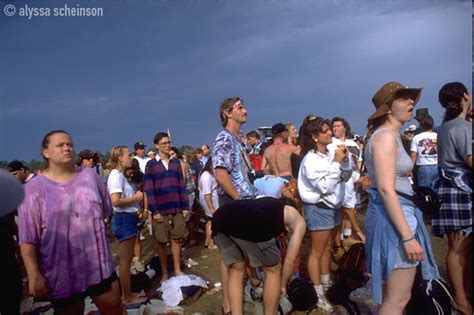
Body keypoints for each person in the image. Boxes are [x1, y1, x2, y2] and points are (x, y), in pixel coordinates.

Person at [18, 130, 124, 315]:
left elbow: (106, 209)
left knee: (114, 307)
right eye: (60, 145)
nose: (67, 147)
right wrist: (34, 274)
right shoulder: (33, 190)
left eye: (70, 144)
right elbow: (27, 238)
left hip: (98, 264)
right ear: (46, 152)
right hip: (61, 270)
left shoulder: (90, 176)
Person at [363, 82, 439, 314]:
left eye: (411, 98)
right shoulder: (385, 137)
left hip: (391, 216)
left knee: (390, 298)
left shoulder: (388, 135)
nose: (411, 103)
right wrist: (407, 237)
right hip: (394, 221)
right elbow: (386, 189)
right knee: (398, 299)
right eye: (404, 99)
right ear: (387, 108)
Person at [212, 197, 306, 315]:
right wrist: (282, 285)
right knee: (273, 270)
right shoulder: (299, 222)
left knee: (237, 269)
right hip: (252, 222)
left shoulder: (269, 204)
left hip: (220, 217)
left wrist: (254, 278)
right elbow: (289, 261)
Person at [297, 115, 351, 312]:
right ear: (314, 136)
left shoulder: (329, 153)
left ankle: (327, 283)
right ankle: (318, 292)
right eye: (325, 130)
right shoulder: (310, 160)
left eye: (330, 129)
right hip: (319, 207)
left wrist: (344, 160)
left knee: (328, 246)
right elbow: (325, 186)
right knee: (316, 251)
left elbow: (346, 175)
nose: (331, 133)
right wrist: (337, 163)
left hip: (332, 207)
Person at [212, 97, 258, 314]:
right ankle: (229, 305)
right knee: (235, 262)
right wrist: (238, 200)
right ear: (227, 113)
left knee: (238, 262)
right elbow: (220, 174)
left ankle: (232, 305)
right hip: (233, 204)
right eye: (240, 108)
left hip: (242, 202)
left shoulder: (237, 139)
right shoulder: (223, 138)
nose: (245, 110)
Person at [432, 82, 472, 315]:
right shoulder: (462, 126)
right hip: (460, 190)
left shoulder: (446, 125)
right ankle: (462, 299)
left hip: (448, 189)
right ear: (464, 97)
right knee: (459, 248)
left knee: (459, 248)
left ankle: (463, 295)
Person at [144, 132, 189, 283]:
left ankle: (177, 269)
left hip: (176, 206)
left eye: (168, 142)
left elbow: (181, 185)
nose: (167, 145)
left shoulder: (176, 163)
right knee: (161, 242)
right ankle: (164, 272)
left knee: (176, 239)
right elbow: (149, 190)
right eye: (163, 143)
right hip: (160, 209)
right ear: (157, 145)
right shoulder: (151, 165)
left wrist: (185, 206)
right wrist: (154, 210)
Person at [107, 145, 146, 306]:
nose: (131, 157)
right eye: (128, 155)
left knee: (127, 260)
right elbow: (115, 200)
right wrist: (136, 198)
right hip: (124, 219)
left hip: (127, 219)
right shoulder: (116, 176)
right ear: (120, 158)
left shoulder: (120, 176)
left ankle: (128, 293)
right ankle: (127, 297)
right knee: (125, 261)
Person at [0, 170, 25, 315]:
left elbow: (16, 228)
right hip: (7, 262)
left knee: (11, 303)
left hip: (7, 262)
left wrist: (21, 252)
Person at [409, 115, 438, 187]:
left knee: (424, 193)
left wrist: (410, 169)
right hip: (438, 166)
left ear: (421, 125)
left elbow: (413, 155)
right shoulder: (438, 136)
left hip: (423, 168)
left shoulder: (416, 138)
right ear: (432, 125)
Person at [198, 159, 218, 249]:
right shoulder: (206, 176)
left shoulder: (206, 174)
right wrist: (211, 207)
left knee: (210, 221)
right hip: (210, 200)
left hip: (210, 199)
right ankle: (211, 243)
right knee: (212, 221)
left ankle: (207, 241)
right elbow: (207, 193)